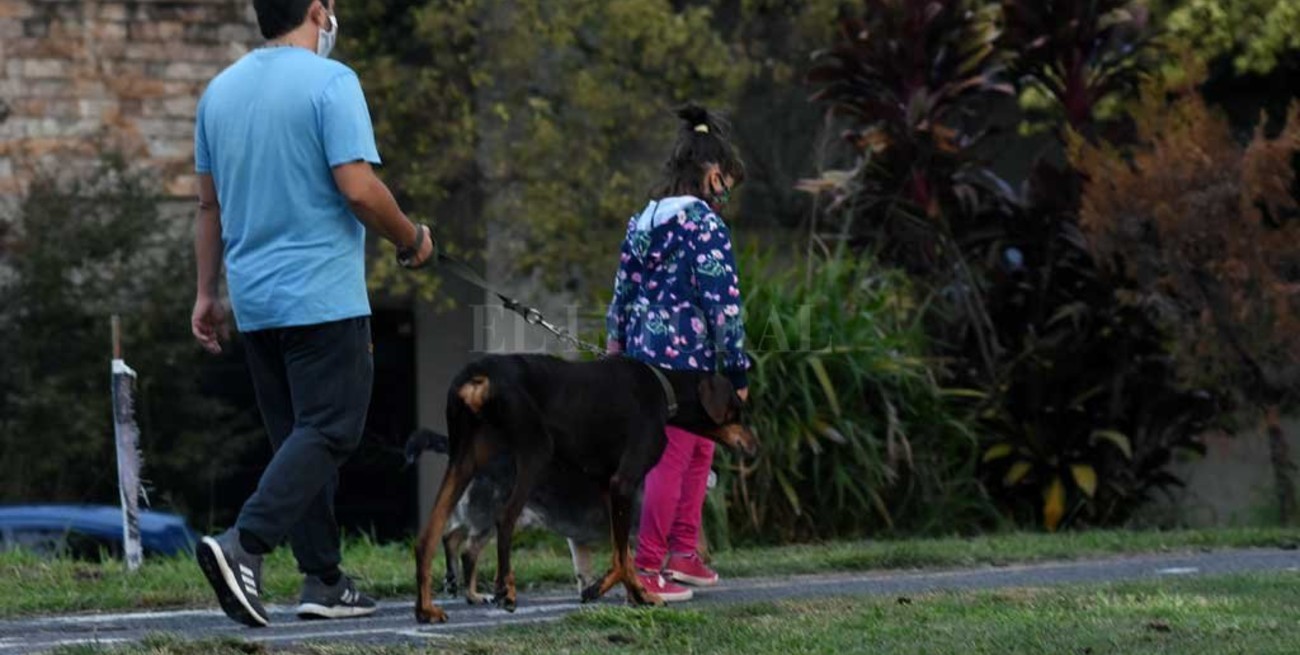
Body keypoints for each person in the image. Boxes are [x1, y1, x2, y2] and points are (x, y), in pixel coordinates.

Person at [190, 0, 435, 627]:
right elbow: (356, 186)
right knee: (332, 429)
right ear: (317, 11)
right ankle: (244, 545)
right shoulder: (332, 81)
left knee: (297, 443)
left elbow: (207, 208)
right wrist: (410, 238)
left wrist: (206, 293)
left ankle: (323, 579)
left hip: (255, 300)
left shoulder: (218, 93)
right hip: (321, 296)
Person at [605, 104, 751, 602]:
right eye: (728, 182)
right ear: (713, 175)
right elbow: (724, 305)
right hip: (690, 368)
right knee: (675, 458)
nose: (728, 193)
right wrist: (737, 368)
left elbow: (621, 290)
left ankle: (684, 553)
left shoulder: (643, 220)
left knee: (698, 450)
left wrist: (615, 344)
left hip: (644, 363)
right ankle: (648, 566)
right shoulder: (705, 226)